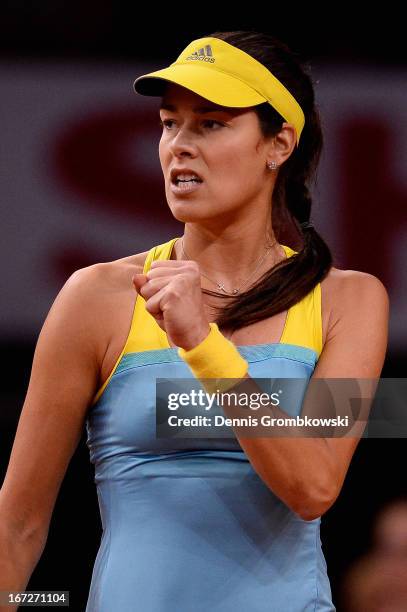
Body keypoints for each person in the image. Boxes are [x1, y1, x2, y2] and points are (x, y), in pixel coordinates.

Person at [0, 30, 389, 612]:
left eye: (211, 123)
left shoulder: (348, 300)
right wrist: (35, 603)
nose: (179, 144)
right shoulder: (96, 297)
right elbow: (18, 526)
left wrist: (202, 342)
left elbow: (314, 487)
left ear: (278, 143)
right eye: (168, 123)